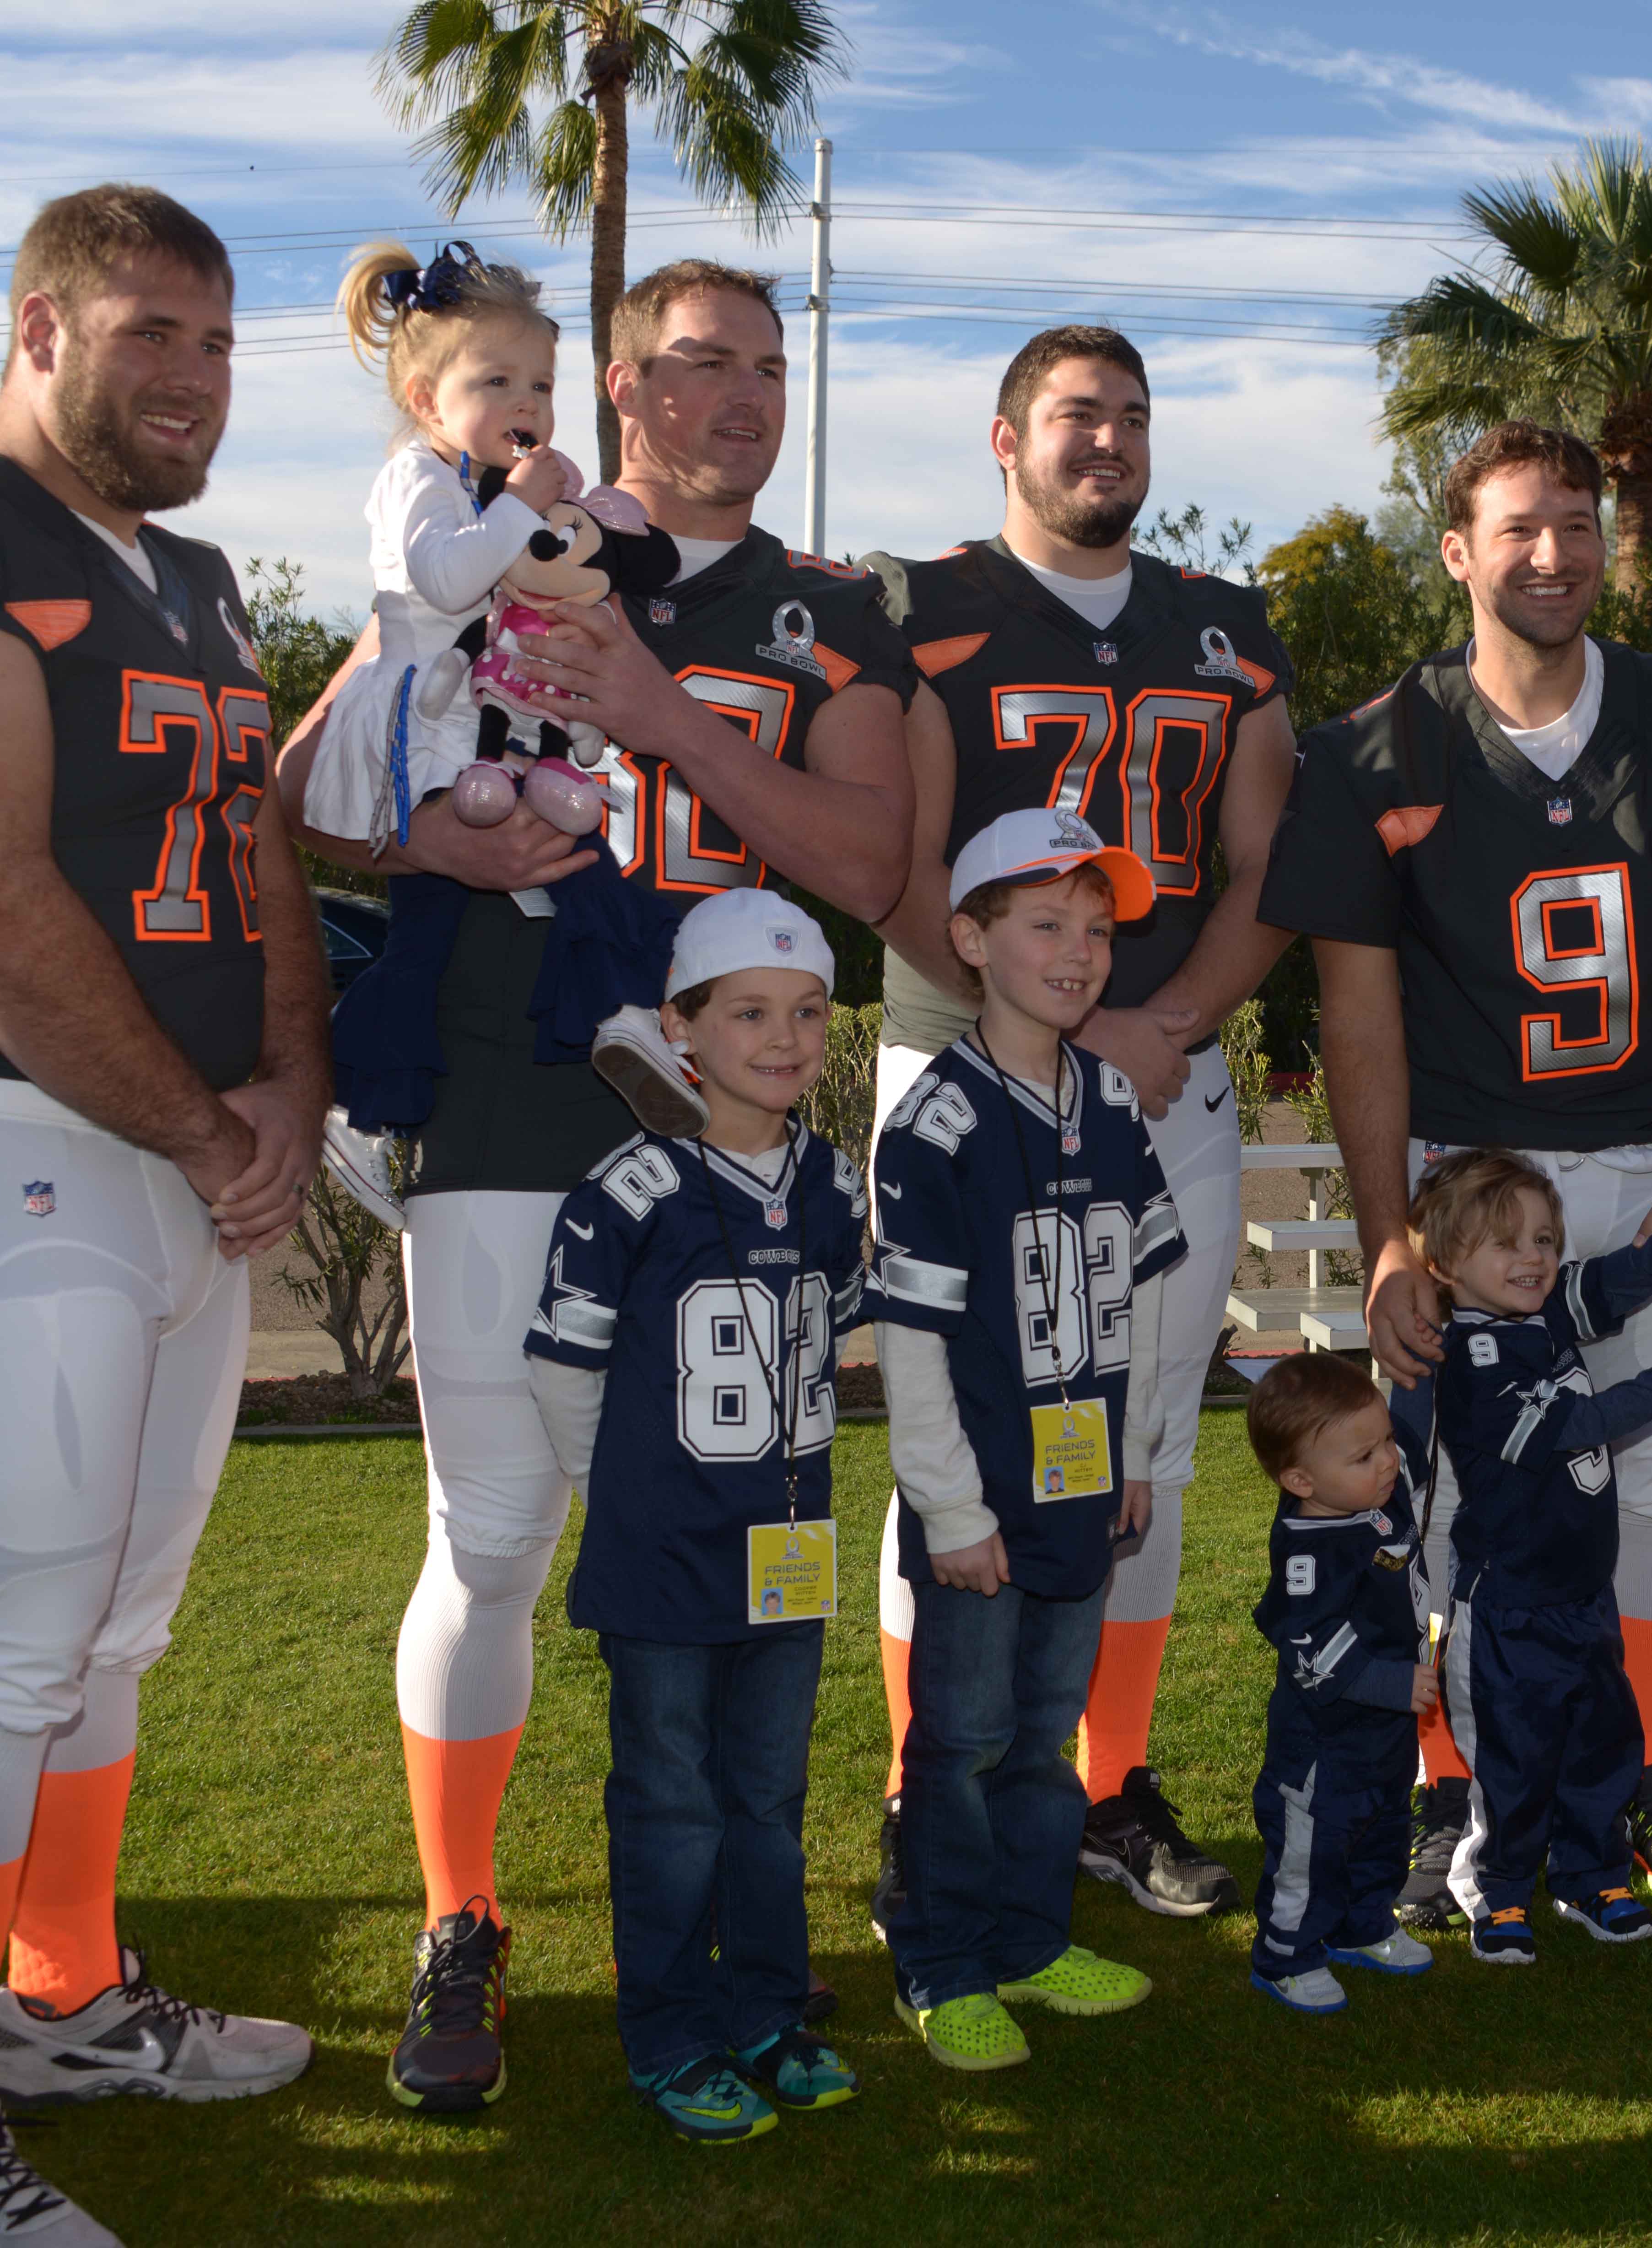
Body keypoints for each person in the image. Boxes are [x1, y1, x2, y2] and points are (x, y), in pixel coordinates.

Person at [272, 258, 913, 2113]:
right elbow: (311, 796)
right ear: (616, 388)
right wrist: (448, 849)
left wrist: (653, 707)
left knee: (740, 1526)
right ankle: (457, 1917)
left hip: (735, 1122)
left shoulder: (826, 606)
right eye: (701, 363)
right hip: (521, 1086)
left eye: (770, 366)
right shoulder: (476, 530)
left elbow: (874, 870)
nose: (742, 398)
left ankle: (735, 1930)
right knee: (490, 1533)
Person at [0, 183, 326, 2248]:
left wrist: (291, 1079)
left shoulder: (190, 578)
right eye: (149, 335)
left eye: (215, 342)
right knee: (5, 1644)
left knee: (112, 1627)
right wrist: (211, 1131)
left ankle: (67, 1999)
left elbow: (256, 846)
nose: (192, 377)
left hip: (177, 1136)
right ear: (39, 326)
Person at [1258, 420, 1652, 1929]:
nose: (1552, 554)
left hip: (1637, 1164)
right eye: (1518, 527)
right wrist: (1386, 1239)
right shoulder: (1378, 747)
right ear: (1457, 550)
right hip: (1469, 1181)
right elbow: (1354, 1009)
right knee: (1445, 1502)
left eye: (1576, 523)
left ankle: (1647, 1782)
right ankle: (1459, 1792)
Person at [862, 325, 1299, 1926]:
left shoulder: (1224, 629)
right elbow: (896, 864)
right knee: (956, 1439)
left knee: (1142, 1452)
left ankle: (1100, 1788)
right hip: (966, 1071)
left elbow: (1270, 867)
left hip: (1163, 1077)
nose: (1105, 440)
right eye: (1073, 415)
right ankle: (933, 1786)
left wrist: (1163, 1024)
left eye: (1130, 414)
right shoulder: (928, 607)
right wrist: (1061, 1018)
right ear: (1004, 438)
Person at [521, 887, 869, 2140]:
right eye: (749, 1014)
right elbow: (564, 1366)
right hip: (664, 1560)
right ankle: (669, 2030)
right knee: (672, 1805)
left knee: (768, 1801)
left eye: (807, 1014)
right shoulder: (629, 1188)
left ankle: (770, 2007)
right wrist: (610, 1497)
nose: (781, 1039)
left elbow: (835, 1330)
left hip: (785, 1555)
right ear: (684, 1029)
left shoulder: (831, 1182)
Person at [871, 808, 1189, 2070]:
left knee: (1049, 1732)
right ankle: (939, 1964)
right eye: (1046, 924)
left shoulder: (1108, 1095)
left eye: (1098, 930)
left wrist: (1143, 1454)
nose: (1079, 951)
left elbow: (1157, 1291)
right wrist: (950, 1507)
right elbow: (909, 1340)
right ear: (972, 939)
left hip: (1085, 1489)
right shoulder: (936, 1122)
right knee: (959, 1745)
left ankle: (1025, 1935)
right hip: (982, 1504)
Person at [298, 237, 693, 1145]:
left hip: (484, 726)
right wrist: (520, 506)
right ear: (426, 400)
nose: (526, 403)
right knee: (533, 873)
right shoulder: (420, 477)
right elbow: (444, 579)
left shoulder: (486, 486)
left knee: (447, 923)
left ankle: (372, 1094)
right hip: (422, 728)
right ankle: (617, 1016)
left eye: (543, 385)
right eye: (495, 382)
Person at [1413, 1151, 1652, 1963]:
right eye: (1506, 1243)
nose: (1533, 1258)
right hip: (1506, 1608)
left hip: (1582, 1595)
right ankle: (1494, 1893)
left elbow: (1594, 1289)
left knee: (1600, 1743)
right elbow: (1581, 1425)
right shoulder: (1472, 1358)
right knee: (1514, 1765)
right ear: (1446, 1262)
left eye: (1542, 1238)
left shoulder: (1531, 1317)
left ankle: (1591, 1875)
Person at [1242, 1352, 1440, 2012]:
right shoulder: (1307, 1551)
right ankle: (1287, 1955)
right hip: (1324, 1743)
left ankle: (1365, 1923)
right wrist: (1388, 1683)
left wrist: (1419, 1368)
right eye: (1365, 1456)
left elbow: (1408, 1431)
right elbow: (1310, 1645)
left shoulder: (1369, 1493)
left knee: (1383, 1826)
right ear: (1300, 1479)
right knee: (1315, 1846)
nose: (1388, 1461)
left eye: (1383, 1442)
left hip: (1383, 1732)